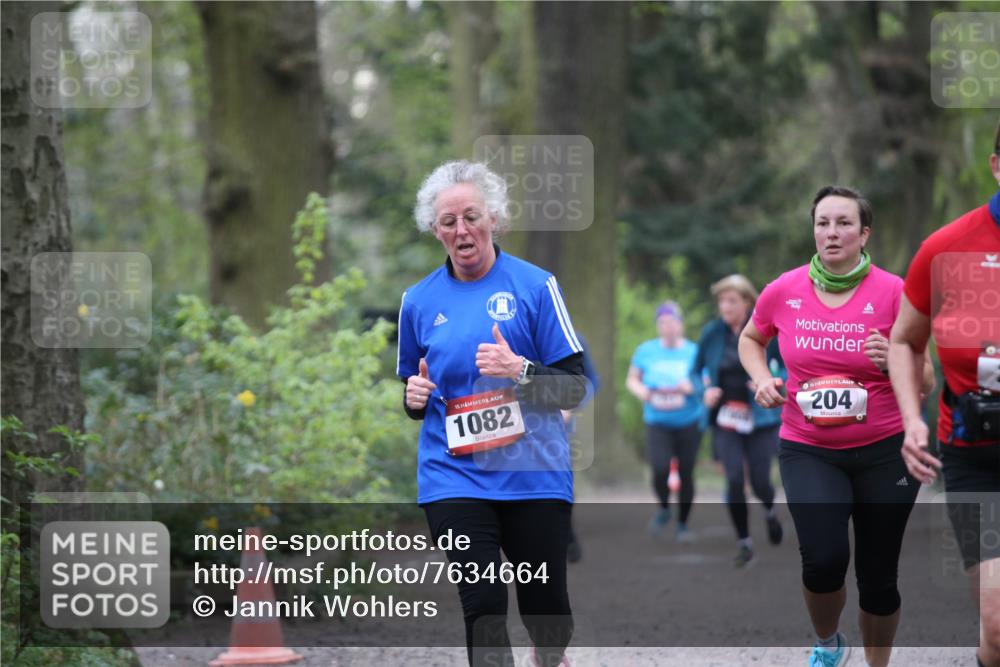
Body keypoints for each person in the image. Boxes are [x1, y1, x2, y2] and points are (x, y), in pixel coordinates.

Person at [397, 160, 586, 667]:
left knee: (549, 614)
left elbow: (573, 388)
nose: (462, 230)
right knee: (482, 606)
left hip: (534, 474)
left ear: (495, 219)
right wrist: (413, 398)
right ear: (434, 230)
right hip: (453, 474)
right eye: (448, 221)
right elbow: (415, 390)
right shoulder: (417, 301)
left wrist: (520, 369)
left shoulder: (536, 286)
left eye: (472, 217)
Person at [739, 185, 934, 667]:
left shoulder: (895, 292)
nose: (832, 232)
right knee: (823, 560)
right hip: (808, 447)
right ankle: (828, 643)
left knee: (878, 574)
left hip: (886, 449)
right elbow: (750, 338)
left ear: (864, 234)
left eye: (844, 223)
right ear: (813, 229)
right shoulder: (783, 289)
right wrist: (762, 377)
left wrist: (894, 358)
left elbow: (926, 377)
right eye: (823, 222)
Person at [888, 121, 1000, 667]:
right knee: (999, 626)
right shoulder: (947, 247)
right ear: (997, 167)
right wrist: (913, 420)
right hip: (976, 455)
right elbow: (905, 343)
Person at [692, 274, 785, 568]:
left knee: (760, 482)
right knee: (733, 480)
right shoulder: (712, 332)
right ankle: (744, 541)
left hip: (761, 417)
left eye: (731, 300)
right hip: (726, 417)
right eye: (721, 300)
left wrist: (768, 382)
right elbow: (694, 371)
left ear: (747, 302)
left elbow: (787, 368)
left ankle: (769, 510)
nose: (725, 306)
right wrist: (704, 390)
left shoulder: (766, 331)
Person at [626, 301, 703, 542]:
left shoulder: (694, 351)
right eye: (662, 323)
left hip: (689, 421)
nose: (668, 327)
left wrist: (691, 387)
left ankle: (683, 524)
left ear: (681, 324)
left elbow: (707, 381)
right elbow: (633, 379)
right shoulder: (646, 351)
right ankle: (664, 508)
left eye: (672, 322)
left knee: (686, 472)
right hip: (657, 421)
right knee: (659, 469)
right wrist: (643, 392)